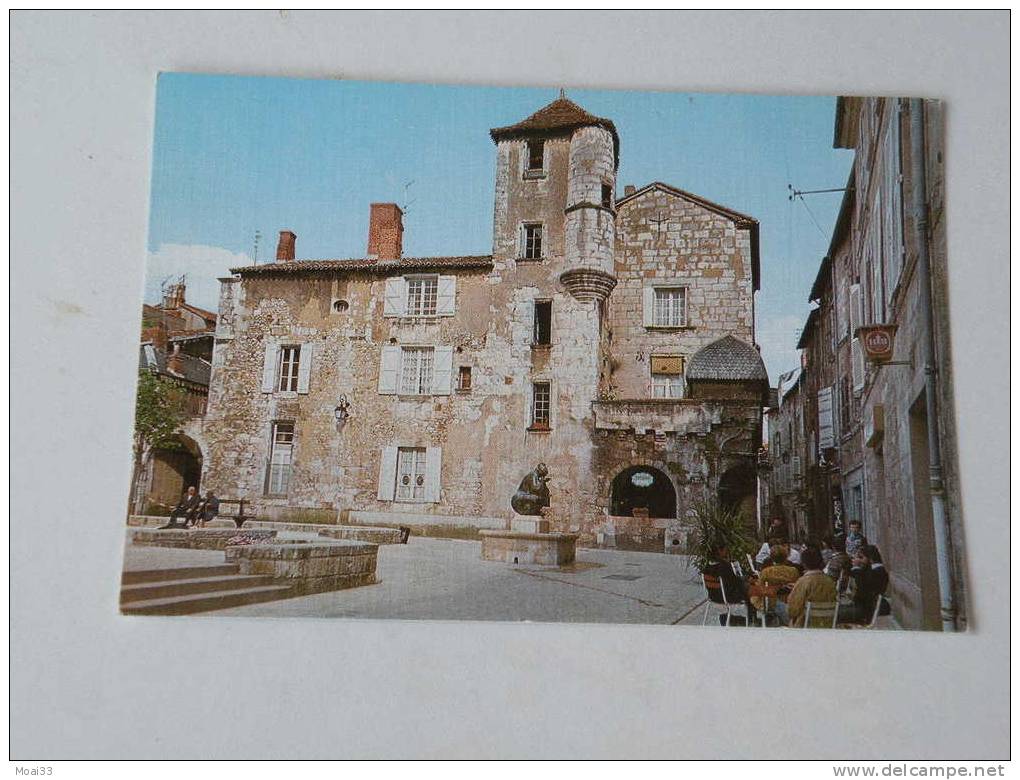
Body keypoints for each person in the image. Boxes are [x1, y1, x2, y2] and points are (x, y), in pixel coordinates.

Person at [785, 547, 837, 628]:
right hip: (828, 624)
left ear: (804, 564)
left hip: (805, 625)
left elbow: (792, 609)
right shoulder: (830, 581)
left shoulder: (803, 581)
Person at [838, 544, 890, 624]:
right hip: (866, 608)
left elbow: (860, 593)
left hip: (865, 610)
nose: (857, 560)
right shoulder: (873, 571)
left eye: (861, 557)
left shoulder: (873, 573)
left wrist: (856, 568)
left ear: (870, 559)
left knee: (836, 613)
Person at [702, 546, 753, 626]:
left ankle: (730, 618)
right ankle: (752, 619)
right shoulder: (724, 565)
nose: (726, 551)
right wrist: (745, 580)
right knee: (750, 592)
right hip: (727, 596)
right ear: (719, 550)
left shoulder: (707, 566)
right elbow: (734, 581)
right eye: (725, 549)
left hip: (713, 596)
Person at [751, 546, 800, 624]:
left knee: (753, 592)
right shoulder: (793, 571)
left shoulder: (766, 571)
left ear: (771, 557)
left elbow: (760, 587)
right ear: (786, 556)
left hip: (770, 602)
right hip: (788, 600)